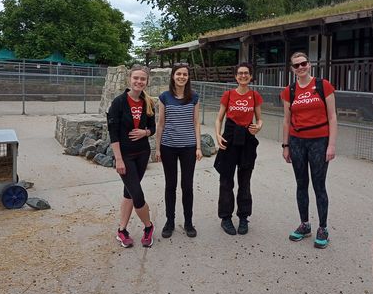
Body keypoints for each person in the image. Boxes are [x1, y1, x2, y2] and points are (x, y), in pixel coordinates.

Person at [280, 52, 337, 249]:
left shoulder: (323, 85)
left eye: (303, 63)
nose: (301, 67)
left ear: (309, 64)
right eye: (296, 65)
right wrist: (285, 145)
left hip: (319, 141)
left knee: (319, 185)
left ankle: (323, 227)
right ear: (292, 69)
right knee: (301, 183)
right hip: (297, 142)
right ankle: (305, 224)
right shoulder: (290, 90)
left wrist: (331, 144)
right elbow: (286, 120)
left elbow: (333, 117)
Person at [107, 65, 156, 248]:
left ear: (146, 81)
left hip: (142, 154)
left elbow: (153, 128)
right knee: (137, 194)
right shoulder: (119, 103)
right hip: (125, 155)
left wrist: (145, 132)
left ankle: (122, 230)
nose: (139, 82)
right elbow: (113, 133)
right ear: (130, 79)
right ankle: (148, 226)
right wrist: (118, 159)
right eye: (136, 78)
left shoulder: (148, 102)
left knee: (128, 191)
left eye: (143, 79)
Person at [214, 62, 263, 235]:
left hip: (247, 140)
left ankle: (243, 216)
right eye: (240, 73)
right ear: (236, 77)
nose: (243, 76)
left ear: (250, 76)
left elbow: (259, 119)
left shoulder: (255, 95)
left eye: (246, 73)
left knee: (245, 180)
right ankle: (225, 217)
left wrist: (258, 126)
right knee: (226, 179)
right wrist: (218, 135)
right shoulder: (228, 95)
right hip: (230, 137)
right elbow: (219, 118)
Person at [155, 63, 203, 238]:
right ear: (173, 76)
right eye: (178, 74)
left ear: (188, 77)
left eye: (185, 74)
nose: (182, 77)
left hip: (188, 147)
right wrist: (158, 148)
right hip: (168, 147)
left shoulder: (194, 97)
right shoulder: (164, 97)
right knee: (170, 185)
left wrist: (198, 146)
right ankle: (170, 221)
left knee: (187, 185)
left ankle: (188, 222)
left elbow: (196, 122)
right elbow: (160, 123)